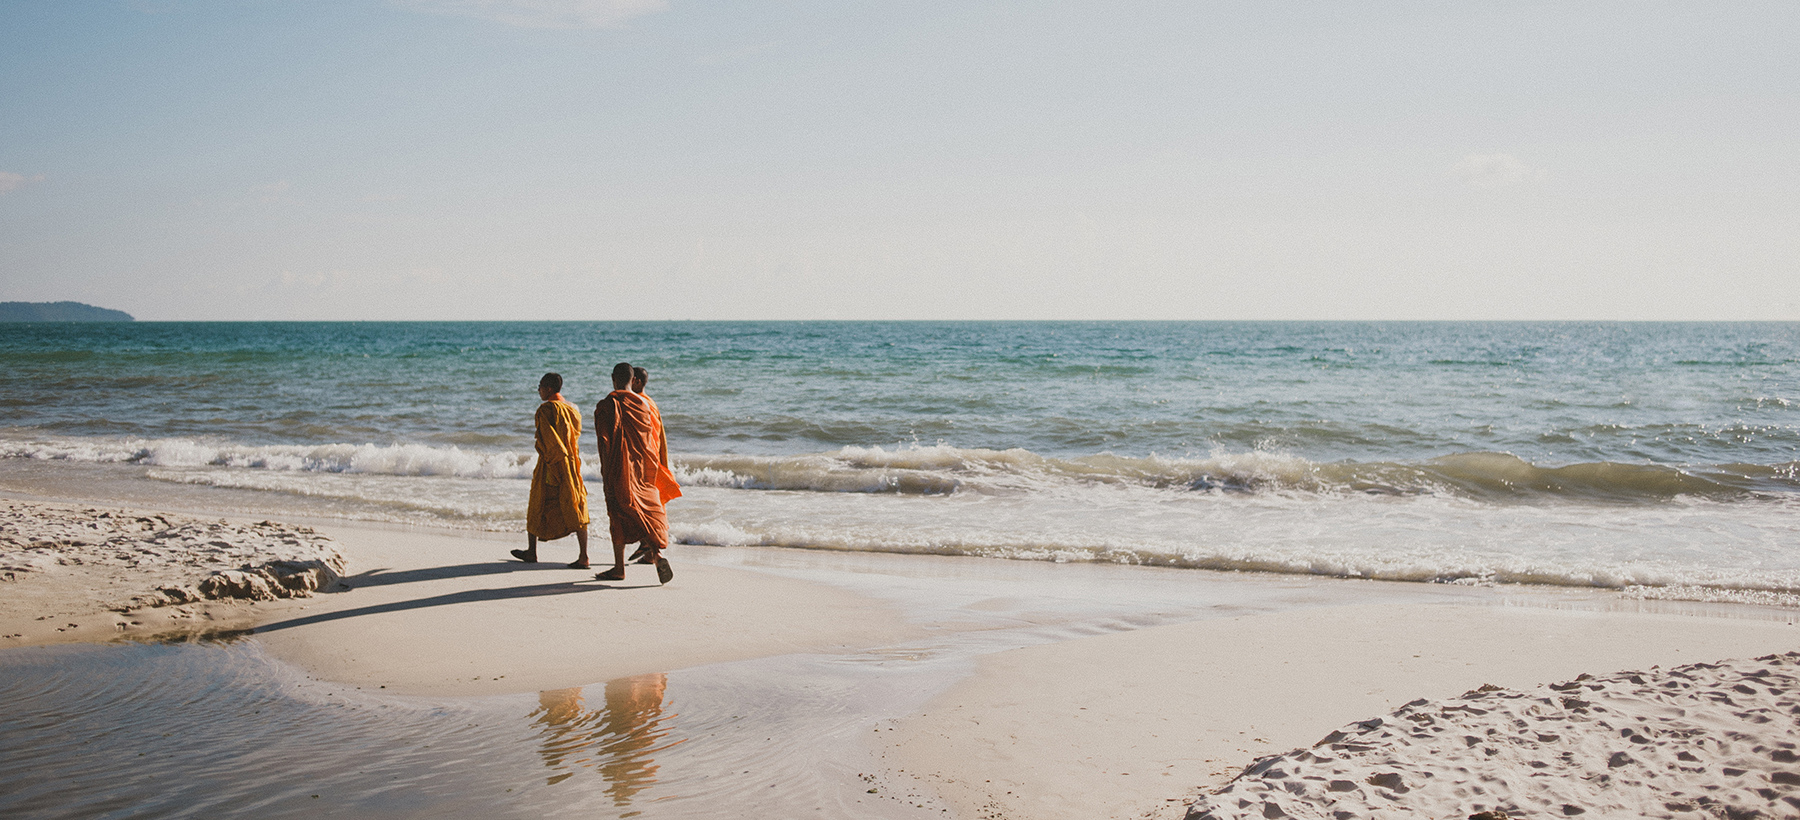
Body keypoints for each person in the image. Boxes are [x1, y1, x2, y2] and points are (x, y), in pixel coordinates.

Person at [593, 362, 681, 583]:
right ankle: (657, 554)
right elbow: (651, 441)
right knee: (642, 511)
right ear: (633, 380)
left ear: (614, 378)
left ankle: (619, 568)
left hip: (619, 468)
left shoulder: (608, 404)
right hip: (642, 469)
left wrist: (606, 469)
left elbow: (605, 441)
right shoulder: (643, 405)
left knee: (618, 512)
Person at [511, 372, 592, 568]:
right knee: (576, 504)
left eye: (539, 386)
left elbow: (549, 442)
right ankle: (584, 556)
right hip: (572, 464)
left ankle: (532, 551)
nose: (538, 390)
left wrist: (552, 466)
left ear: (548, 388)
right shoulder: (573, 409)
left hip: (551, 464)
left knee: (537, 503)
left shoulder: (545, 409)